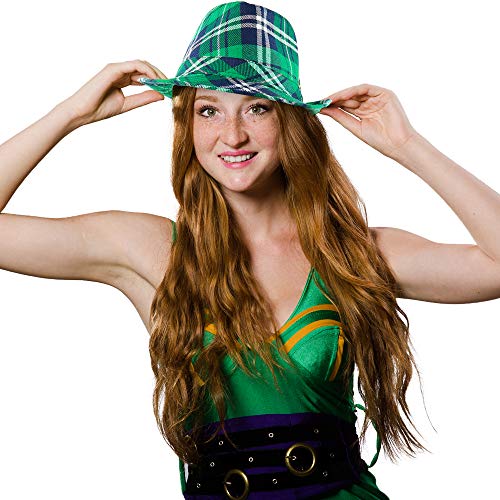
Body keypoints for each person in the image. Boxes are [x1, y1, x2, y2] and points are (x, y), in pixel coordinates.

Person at [1, 1, 499, 499]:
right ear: (188, 124)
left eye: (257, 108)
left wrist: (408, 144)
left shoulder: (350, 253)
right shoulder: (151, 250)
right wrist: (69, 115)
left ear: (290, 121)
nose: (233, 135)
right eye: (209, 110)